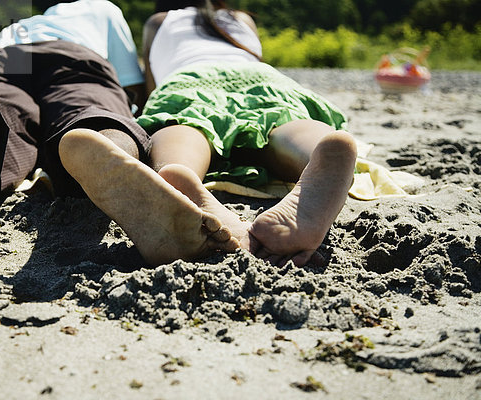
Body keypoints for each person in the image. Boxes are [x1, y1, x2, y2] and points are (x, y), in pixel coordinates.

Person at [0, 0, 239, 266]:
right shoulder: (102, 9)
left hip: (1, 60)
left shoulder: (17, 23)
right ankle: (100, 139)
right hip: (74, 56)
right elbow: (131, 85)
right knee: (92, 107)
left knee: (0, 117)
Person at [138, 0, 358, 266]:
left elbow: (150, 87)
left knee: (185, 124)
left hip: (188, 79)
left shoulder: (159, 21)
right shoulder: (242, 18)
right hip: (262, 80)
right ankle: (318, 148)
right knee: (277, 122)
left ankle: (177, 172)